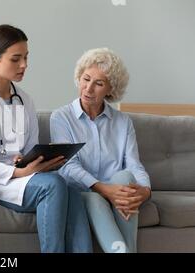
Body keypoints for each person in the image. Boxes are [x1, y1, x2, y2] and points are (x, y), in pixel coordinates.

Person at [0, 24, 92, 253]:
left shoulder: (25, 100)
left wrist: (33, 161)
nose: (24, 65)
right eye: (16, 59)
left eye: (26, 57)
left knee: (72, 188)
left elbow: (30, 148)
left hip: (25, 177)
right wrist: (18, 172)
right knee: (54, 185)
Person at [50, 48, 151, 253]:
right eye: (85, 79)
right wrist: (103, 189)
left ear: (110, 89)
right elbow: (68, 166)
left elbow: (133, 164)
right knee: (94, 198)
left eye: (99, 83)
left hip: (119, 188)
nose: (88, 89)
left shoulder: (123, 122)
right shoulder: (61, 118)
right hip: (83, 191)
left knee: (125, 176)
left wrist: (145, 191)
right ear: (78, 78)